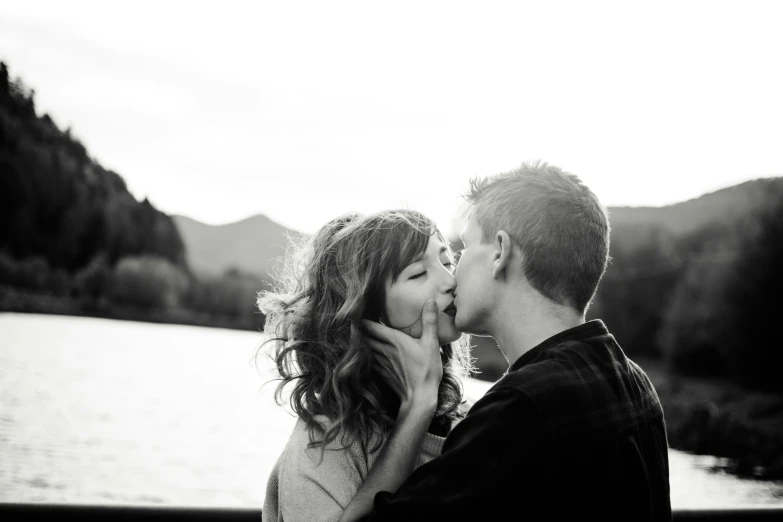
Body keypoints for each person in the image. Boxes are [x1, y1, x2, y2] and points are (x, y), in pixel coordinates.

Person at [339, 161, 672, 521]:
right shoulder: (633, 381)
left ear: (499, 252)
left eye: (463, 250)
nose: (453, 277)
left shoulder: (523, 408)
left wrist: (418, 405)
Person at [258, 209, 474, 522]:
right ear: (368, 314)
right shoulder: (323, 445)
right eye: (418, 274)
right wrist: (417, 410)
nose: (450, 281)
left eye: (446, 261)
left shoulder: (472, 420)